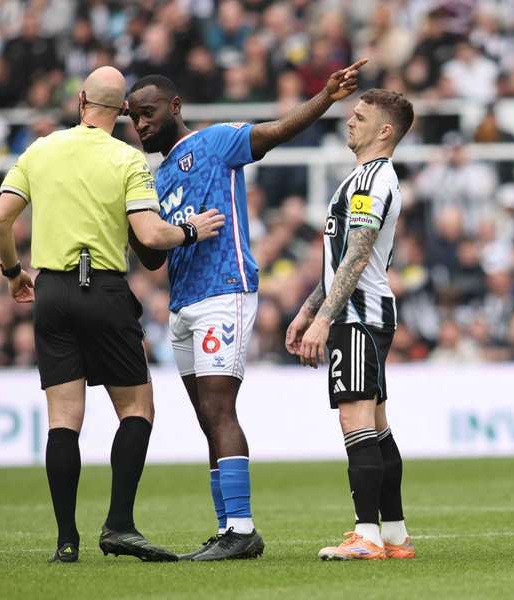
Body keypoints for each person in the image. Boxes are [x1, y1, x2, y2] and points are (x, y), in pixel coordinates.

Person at [125, 59, 367, 561]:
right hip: (184, 299)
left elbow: (275, 132)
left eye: (147, 113)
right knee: (205, 416)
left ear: (175, 107)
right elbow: (151, 258)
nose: (140, 124)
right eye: (132, 117)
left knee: (218, 409)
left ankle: (241, 529)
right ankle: (228, 528)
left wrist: (325, 97)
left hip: (224, 290)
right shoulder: (157, 174)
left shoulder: (215, 143)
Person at [0, 66, 225, 563]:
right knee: (137, 408)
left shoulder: (40, 149)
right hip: (104, 289)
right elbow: (153, 235)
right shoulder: (127, 158)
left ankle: (65, 541)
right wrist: (191, 230)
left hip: (50, 288)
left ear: (79, 100)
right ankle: (118, 524)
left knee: (63, 421)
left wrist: (14, 272)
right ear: (121, 113)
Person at [285, 89, 415, 561]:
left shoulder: (372, 182)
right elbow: (341, 259)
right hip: (360, 312)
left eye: (360, 116)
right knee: (376, 424)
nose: (349, 121)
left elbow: (358, 256)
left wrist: (324, 319)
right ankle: (396, 535)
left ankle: (367, 535)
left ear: (385, 130)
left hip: (358, 315)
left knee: (354, 418)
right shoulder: (363, 178)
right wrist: (307, 310)